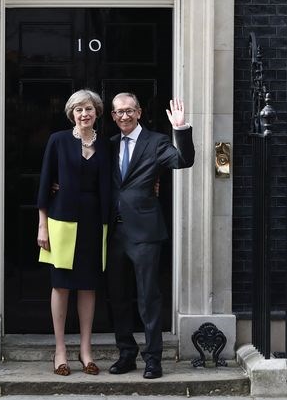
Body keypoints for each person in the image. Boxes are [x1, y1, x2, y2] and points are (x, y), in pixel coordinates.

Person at [107, 93, 195, 379]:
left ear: (139, 112)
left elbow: (183, 160)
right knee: (118, 297)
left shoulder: (155, 142)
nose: (124, 116)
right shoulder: (108, 145)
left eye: (129, 110)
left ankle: (153, 358)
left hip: (144, 233)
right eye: (119, 111)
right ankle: (126, 354)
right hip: (114, 232)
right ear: (112, 115)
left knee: (148, 298)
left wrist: (180, 129)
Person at [37, 89, 110, 376]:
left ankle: (86, 350)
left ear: (97, 113)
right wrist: (42, 225)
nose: (84, 114)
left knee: (88, 285)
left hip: (95, 222)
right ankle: (60, 351)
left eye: (89, 109)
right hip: (61, 221)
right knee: (61, 284)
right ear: (71, 113)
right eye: (78, 109)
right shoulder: (58, 141)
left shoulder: (107, 145)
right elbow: (45, 184)